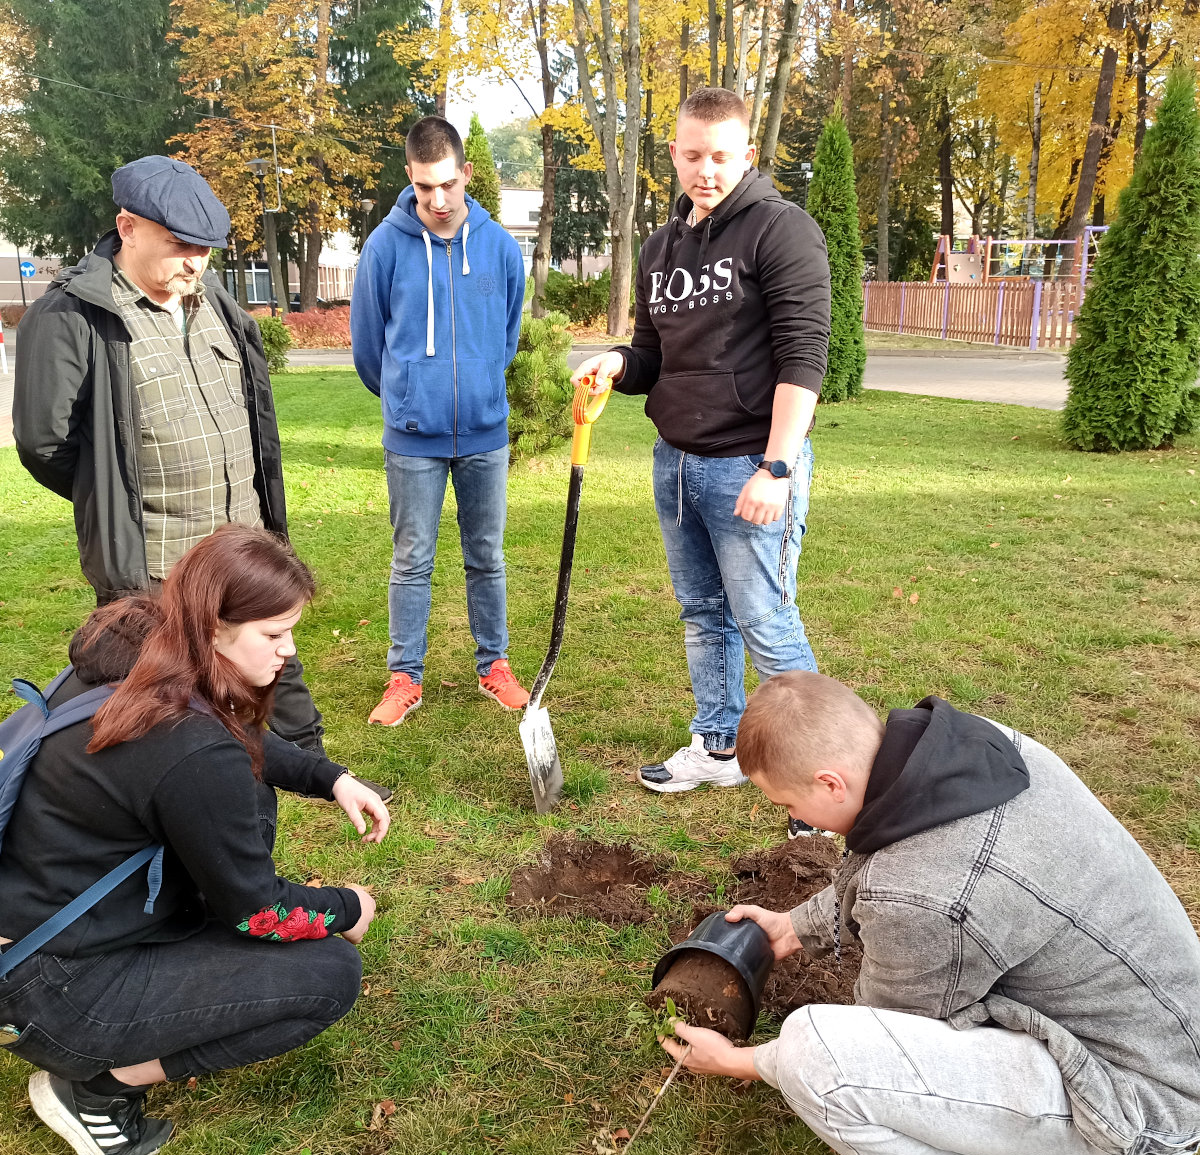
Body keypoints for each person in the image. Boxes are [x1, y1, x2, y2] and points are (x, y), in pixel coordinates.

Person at [659, 670, 1200, 1155]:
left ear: (831, 782)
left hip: (1138, 1111)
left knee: (816, 1058)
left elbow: (880, 1040)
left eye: (787, 804)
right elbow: (890, 858)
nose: (793, 815)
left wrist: (743, 1062)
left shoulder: (927, 897)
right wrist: (794, 927)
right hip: (1160, 1035)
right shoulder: (966, 754)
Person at [0, 525, 389, 1155]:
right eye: (273, 635)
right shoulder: (191, 748)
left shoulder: (138, 651)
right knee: (327, 976)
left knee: (243, 828)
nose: (288, 653)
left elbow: (226, 738)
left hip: (32, 934)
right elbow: (260, 913)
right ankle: (99, 1089)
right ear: (213, 628)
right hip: (54, 992)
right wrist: (348, 906)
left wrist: (328, 776)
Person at [571, 89, 831, 835]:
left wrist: (777, 468)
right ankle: (717, 743)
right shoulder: (662, 248)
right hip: (677, 463)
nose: (704, 171)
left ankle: (818, 780)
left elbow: (804, 357)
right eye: (691, 155)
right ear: (674, 155)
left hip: (750, 463)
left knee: (766, 620)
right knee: (702, 614)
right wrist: (617, 362)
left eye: (720, 156)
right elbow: (655, 356)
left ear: (748, 155)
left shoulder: (782, 230)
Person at [12, 155, 325, 752]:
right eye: (180, 245)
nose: (196, 263)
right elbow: (43, 441)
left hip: (241, 543)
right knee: (165, 708)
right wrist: (113, 489)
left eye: (206, 249)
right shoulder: (72, 316)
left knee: (274, 658)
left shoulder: (214, 303)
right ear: (127, 227)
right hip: (154, 563)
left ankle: (310, 762)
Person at [350, 116, 528, 726]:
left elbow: (506, 338)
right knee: (412, 558)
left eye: (449, 184)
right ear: (411, 180)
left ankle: (495, 665)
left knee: (487, 555)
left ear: (466, 174)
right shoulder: (383, 248)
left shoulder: (501, 248)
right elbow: (369, 349)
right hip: (413, 440)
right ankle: (405, 676)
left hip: (484, 433)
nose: (439, 200)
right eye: (426, 188)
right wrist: (407, 400)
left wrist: (476, 387)